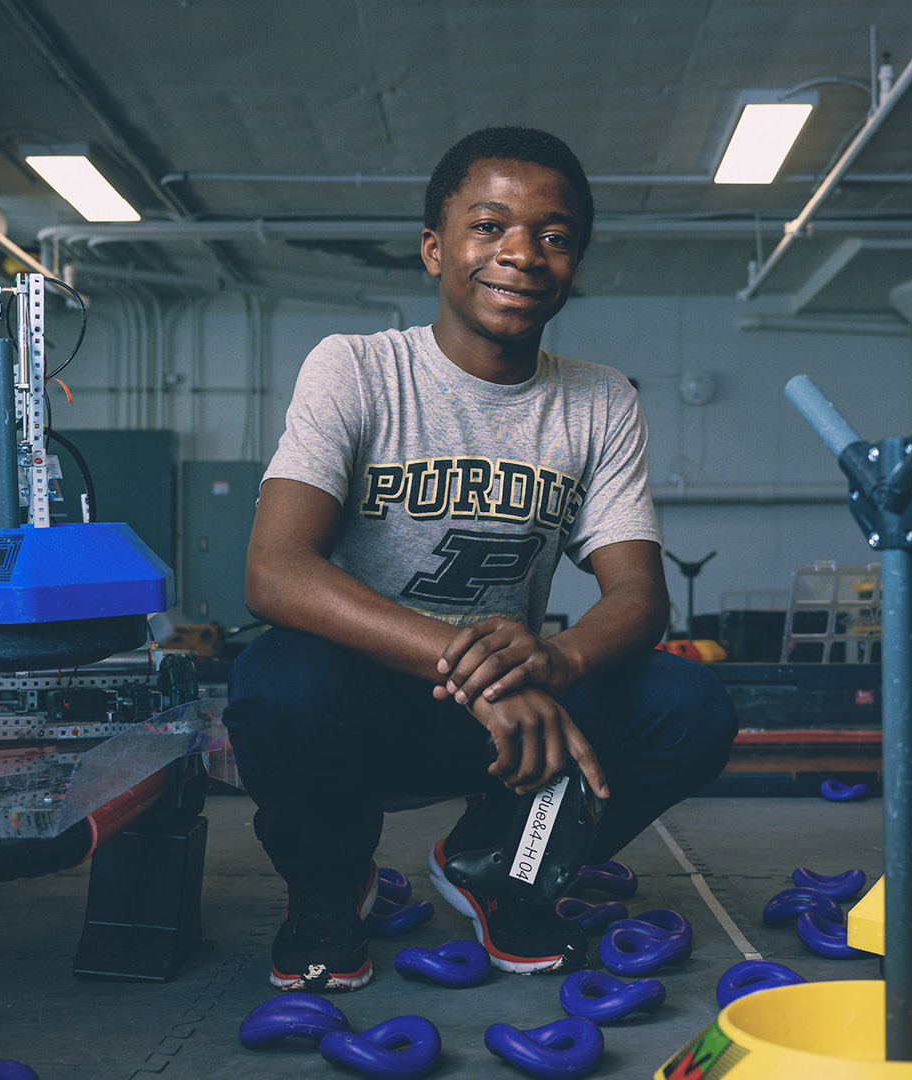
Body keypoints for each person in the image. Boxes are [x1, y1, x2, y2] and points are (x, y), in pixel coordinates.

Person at [225, 126, 736, 992]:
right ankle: (326, 887)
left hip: (512, 721)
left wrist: (558, 656)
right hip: (364, 705)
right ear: (436, 248)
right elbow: (275, 572)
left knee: (689, 705)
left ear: (575, 261)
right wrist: (476, 671)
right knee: (276, 681)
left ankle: (496, 862)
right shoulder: (356, 369)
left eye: (555, 235)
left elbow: (640, 597)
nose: (522, 254)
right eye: (490, 226)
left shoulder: (600, 398)